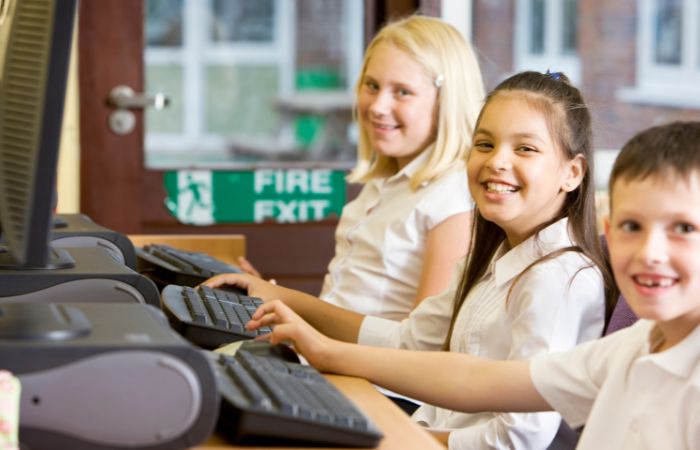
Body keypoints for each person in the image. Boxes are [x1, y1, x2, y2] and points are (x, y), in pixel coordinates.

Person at [205, 71, 618, 449]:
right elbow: (409, 341)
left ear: (573, 173)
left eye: (525, 148)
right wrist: (290, 303)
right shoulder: (497, 255)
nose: (497, 161)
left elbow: (521, 436)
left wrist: (406, 436)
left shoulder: (559, 279)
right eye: (485, 144)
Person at [246, 121, 700, 450]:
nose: (650, 253)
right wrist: (326, 352)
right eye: (631, 227)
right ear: (607, 225)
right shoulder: (634, 346)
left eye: (683, 228)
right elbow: (478, 379)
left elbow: (518, 431)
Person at [236, 15, 485, 320]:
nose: (378, 107)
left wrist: (285, 303)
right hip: (325, 353)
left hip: (358, 367)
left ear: (447, 101)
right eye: (372, 85)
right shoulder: (386, 181)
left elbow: (421, 345)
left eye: (402, 91)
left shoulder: (455, 195)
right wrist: (274, 297)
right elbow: (348, 304)